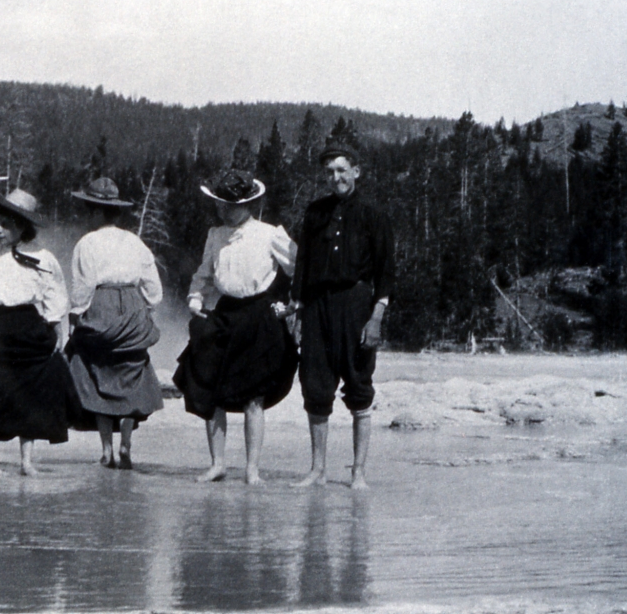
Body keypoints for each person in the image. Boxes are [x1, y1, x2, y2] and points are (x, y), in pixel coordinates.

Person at [173, 169, 298, 485]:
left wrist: (292, 303)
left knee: (253, 396)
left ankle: (252, 469)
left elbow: (300, 267)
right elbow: (204, 272)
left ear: (248, 204)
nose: (222, 209)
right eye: (219, 203)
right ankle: (217, 464)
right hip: (225, 311)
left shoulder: (270, 234)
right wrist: (195, 298)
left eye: (229, 204)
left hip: (259, 314)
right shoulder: (215, 234)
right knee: (208, 387)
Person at [289, 142, 395, 490]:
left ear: (356, 171)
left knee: (359, 383)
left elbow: (385, 272)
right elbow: (302, 264)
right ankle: (318, 470)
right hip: (317, 306)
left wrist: (376, 317)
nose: (336, 178)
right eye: (330, 172)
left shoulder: (373, 215)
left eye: (341, 170)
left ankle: (358, 472)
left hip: (356, 304)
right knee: (315, 384)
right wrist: (297, 309)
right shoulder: (315, 213)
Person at [0, 188, 76, 476]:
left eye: (4, 225)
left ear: (22, 226)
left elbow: (56, 299)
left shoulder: (44, 259)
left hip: (31, 330)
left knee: (30, 393)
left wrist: (61, 333)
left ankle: (27, 462)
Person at [67, 177, 165, 470]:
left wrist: (76, 316)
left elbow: (83, 286)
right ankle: (126, 444)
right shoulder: (135, 242)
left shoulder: (87, 243)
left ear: (97, 212)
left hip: (102, 304)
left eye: (88, 209)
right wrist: (145, 308)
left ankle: (107, 450)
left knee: (99, 374)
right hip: (133, 305)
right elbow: (154, 288)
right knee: (130, 373)